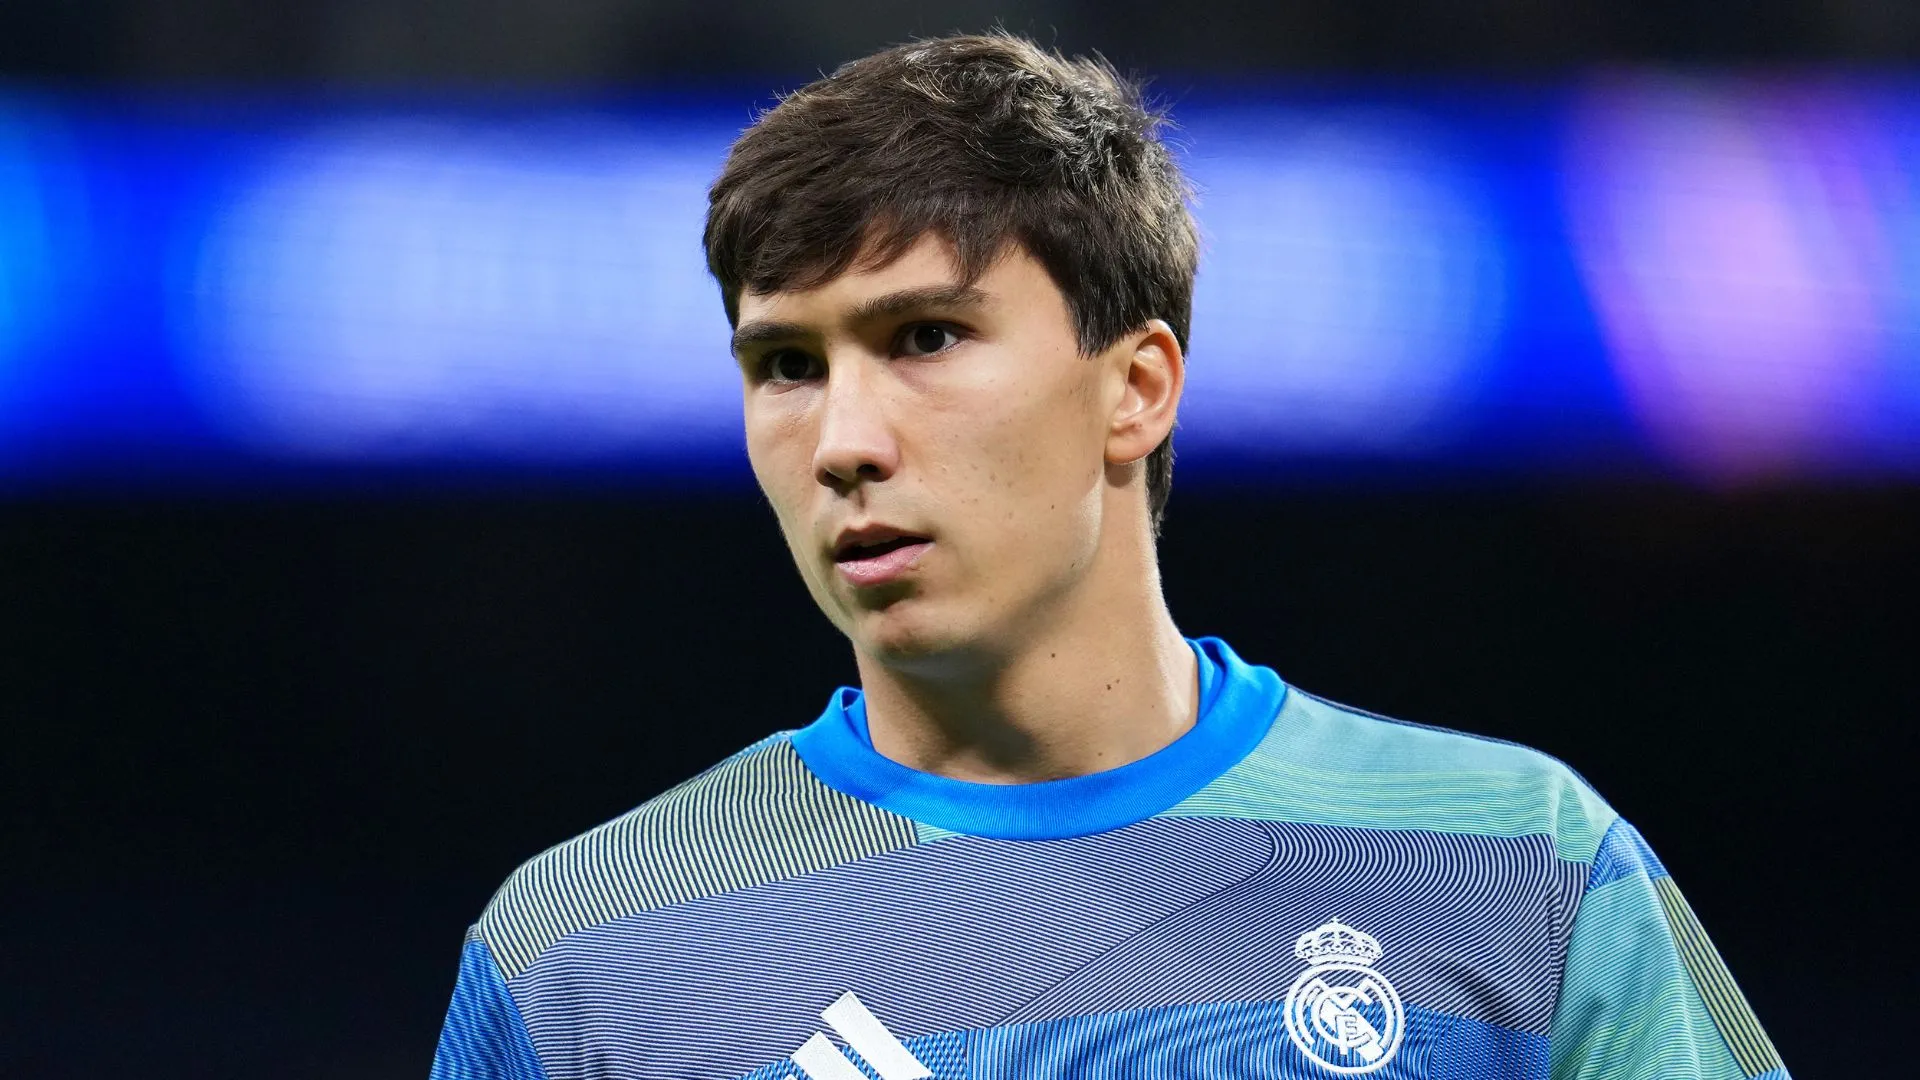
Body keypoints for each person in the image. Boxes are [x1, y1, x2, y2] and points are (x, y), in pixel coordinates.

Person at [429, 31, 1788, 1080]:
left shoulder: (1525, 866)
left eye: (926, 339)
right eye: (786, 366)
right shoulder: (582, 953)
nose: (844, 439)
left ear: (1135, 388)